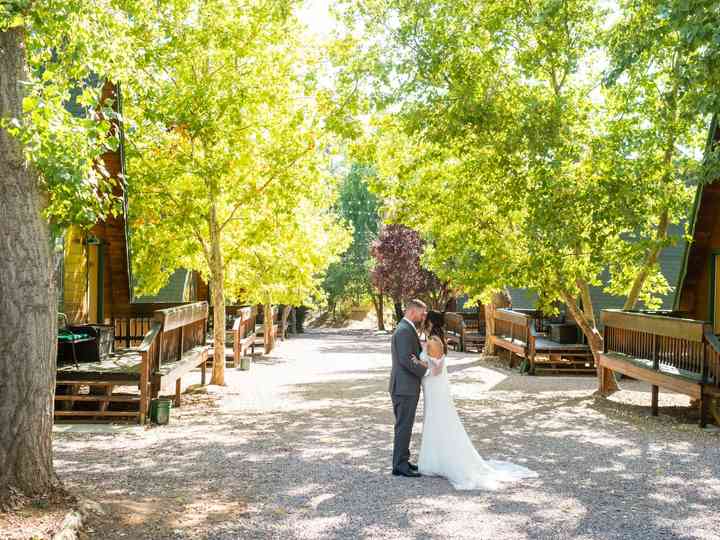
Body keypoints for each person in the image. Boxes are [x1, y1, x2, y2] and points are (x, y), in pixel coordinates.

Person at [418, 337, 538, 490]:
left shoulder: (433, 344)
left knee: (437, 423)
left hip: (433, 391)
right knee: (435, 424)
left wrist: (418, 363)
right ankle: (435, 460)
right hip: (433, 391)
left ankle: (436, 462)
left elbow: (435, 370)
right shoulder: (435, 343)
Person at [388, 299, 428, 477]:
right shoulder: (404, 330)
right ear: (413, 311)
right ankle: (399, 465)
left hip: (406, 386)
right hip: (404, 387)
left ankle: (403, 460)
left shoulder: (406, 328)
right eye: (422, 313)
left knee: (405, 425)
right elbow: (406, 359)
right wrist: (425, 371)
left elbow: (412, 356)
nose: (423, 316)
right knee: (403, 426)